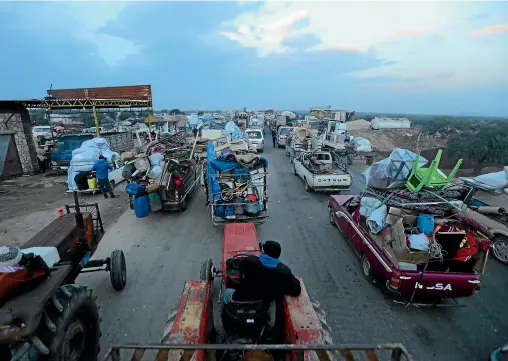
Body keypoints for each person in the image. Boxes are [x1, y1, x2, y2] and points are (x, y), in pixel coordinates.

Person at [221, 241, 301, 328]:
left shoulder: (250, 261)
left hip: (242, 298)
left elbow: (230, 264)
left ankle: (225, 321)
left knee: (226, 293)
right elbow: (296, 289)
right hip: (263, 304)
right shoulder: (284, 271)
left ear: (263, 251)